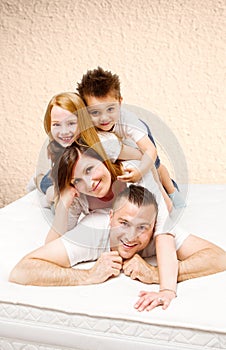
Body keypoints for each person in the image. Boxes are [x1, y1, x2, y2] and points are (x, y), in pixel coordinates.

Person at [9, 185, 226, 312]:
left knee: (171, 192)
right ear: (111, 218)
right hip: (63, 189)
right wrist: (87, 276)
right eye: (124, 223)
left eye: (142, 227)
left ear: (154, 225)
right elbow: (22, 270)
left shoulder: (160, 232)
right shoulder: (92, 233)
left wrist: (154, 274)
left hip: (149, 191)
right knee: (50, 189)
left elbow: (218, 258)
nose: (131, 236)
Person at [77, 66, 185, 209]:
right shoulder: (86, 125)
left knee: (154, 167)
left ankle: (171, 191)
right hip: (120, 146)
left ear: (120, 102)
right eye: (95, 112)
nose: (104, 118)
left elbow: (150, 150)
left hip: (138, 140)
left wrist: (140, 170)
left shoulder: (129, 121)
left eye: (110, 109)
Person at [35, 92, 143, 206]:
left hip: (94, 175)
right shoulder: (62, 146)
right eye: (56, 125)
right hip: (70, 173)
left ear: (83, 121)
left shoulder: (105, 144)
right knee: (48, 184)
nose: (64, 131)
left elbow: (140, 155)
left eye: (71, 123)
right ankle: (38, 180)